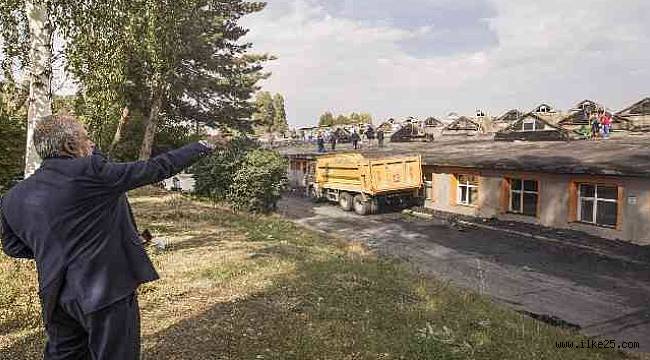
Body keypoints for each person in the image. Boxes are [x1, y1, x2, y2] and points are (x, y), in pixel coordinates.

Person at [0, 114, 227, 359]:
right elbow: (156, 168)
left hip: (56, 297)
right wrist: (205, 144)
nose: (92, 145)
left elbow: (13, 247)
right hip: (105, 293)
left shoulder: (12, 197)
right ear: (70, 146)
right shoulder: (90, 172)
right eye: (87, 139)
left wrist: (52, 248)